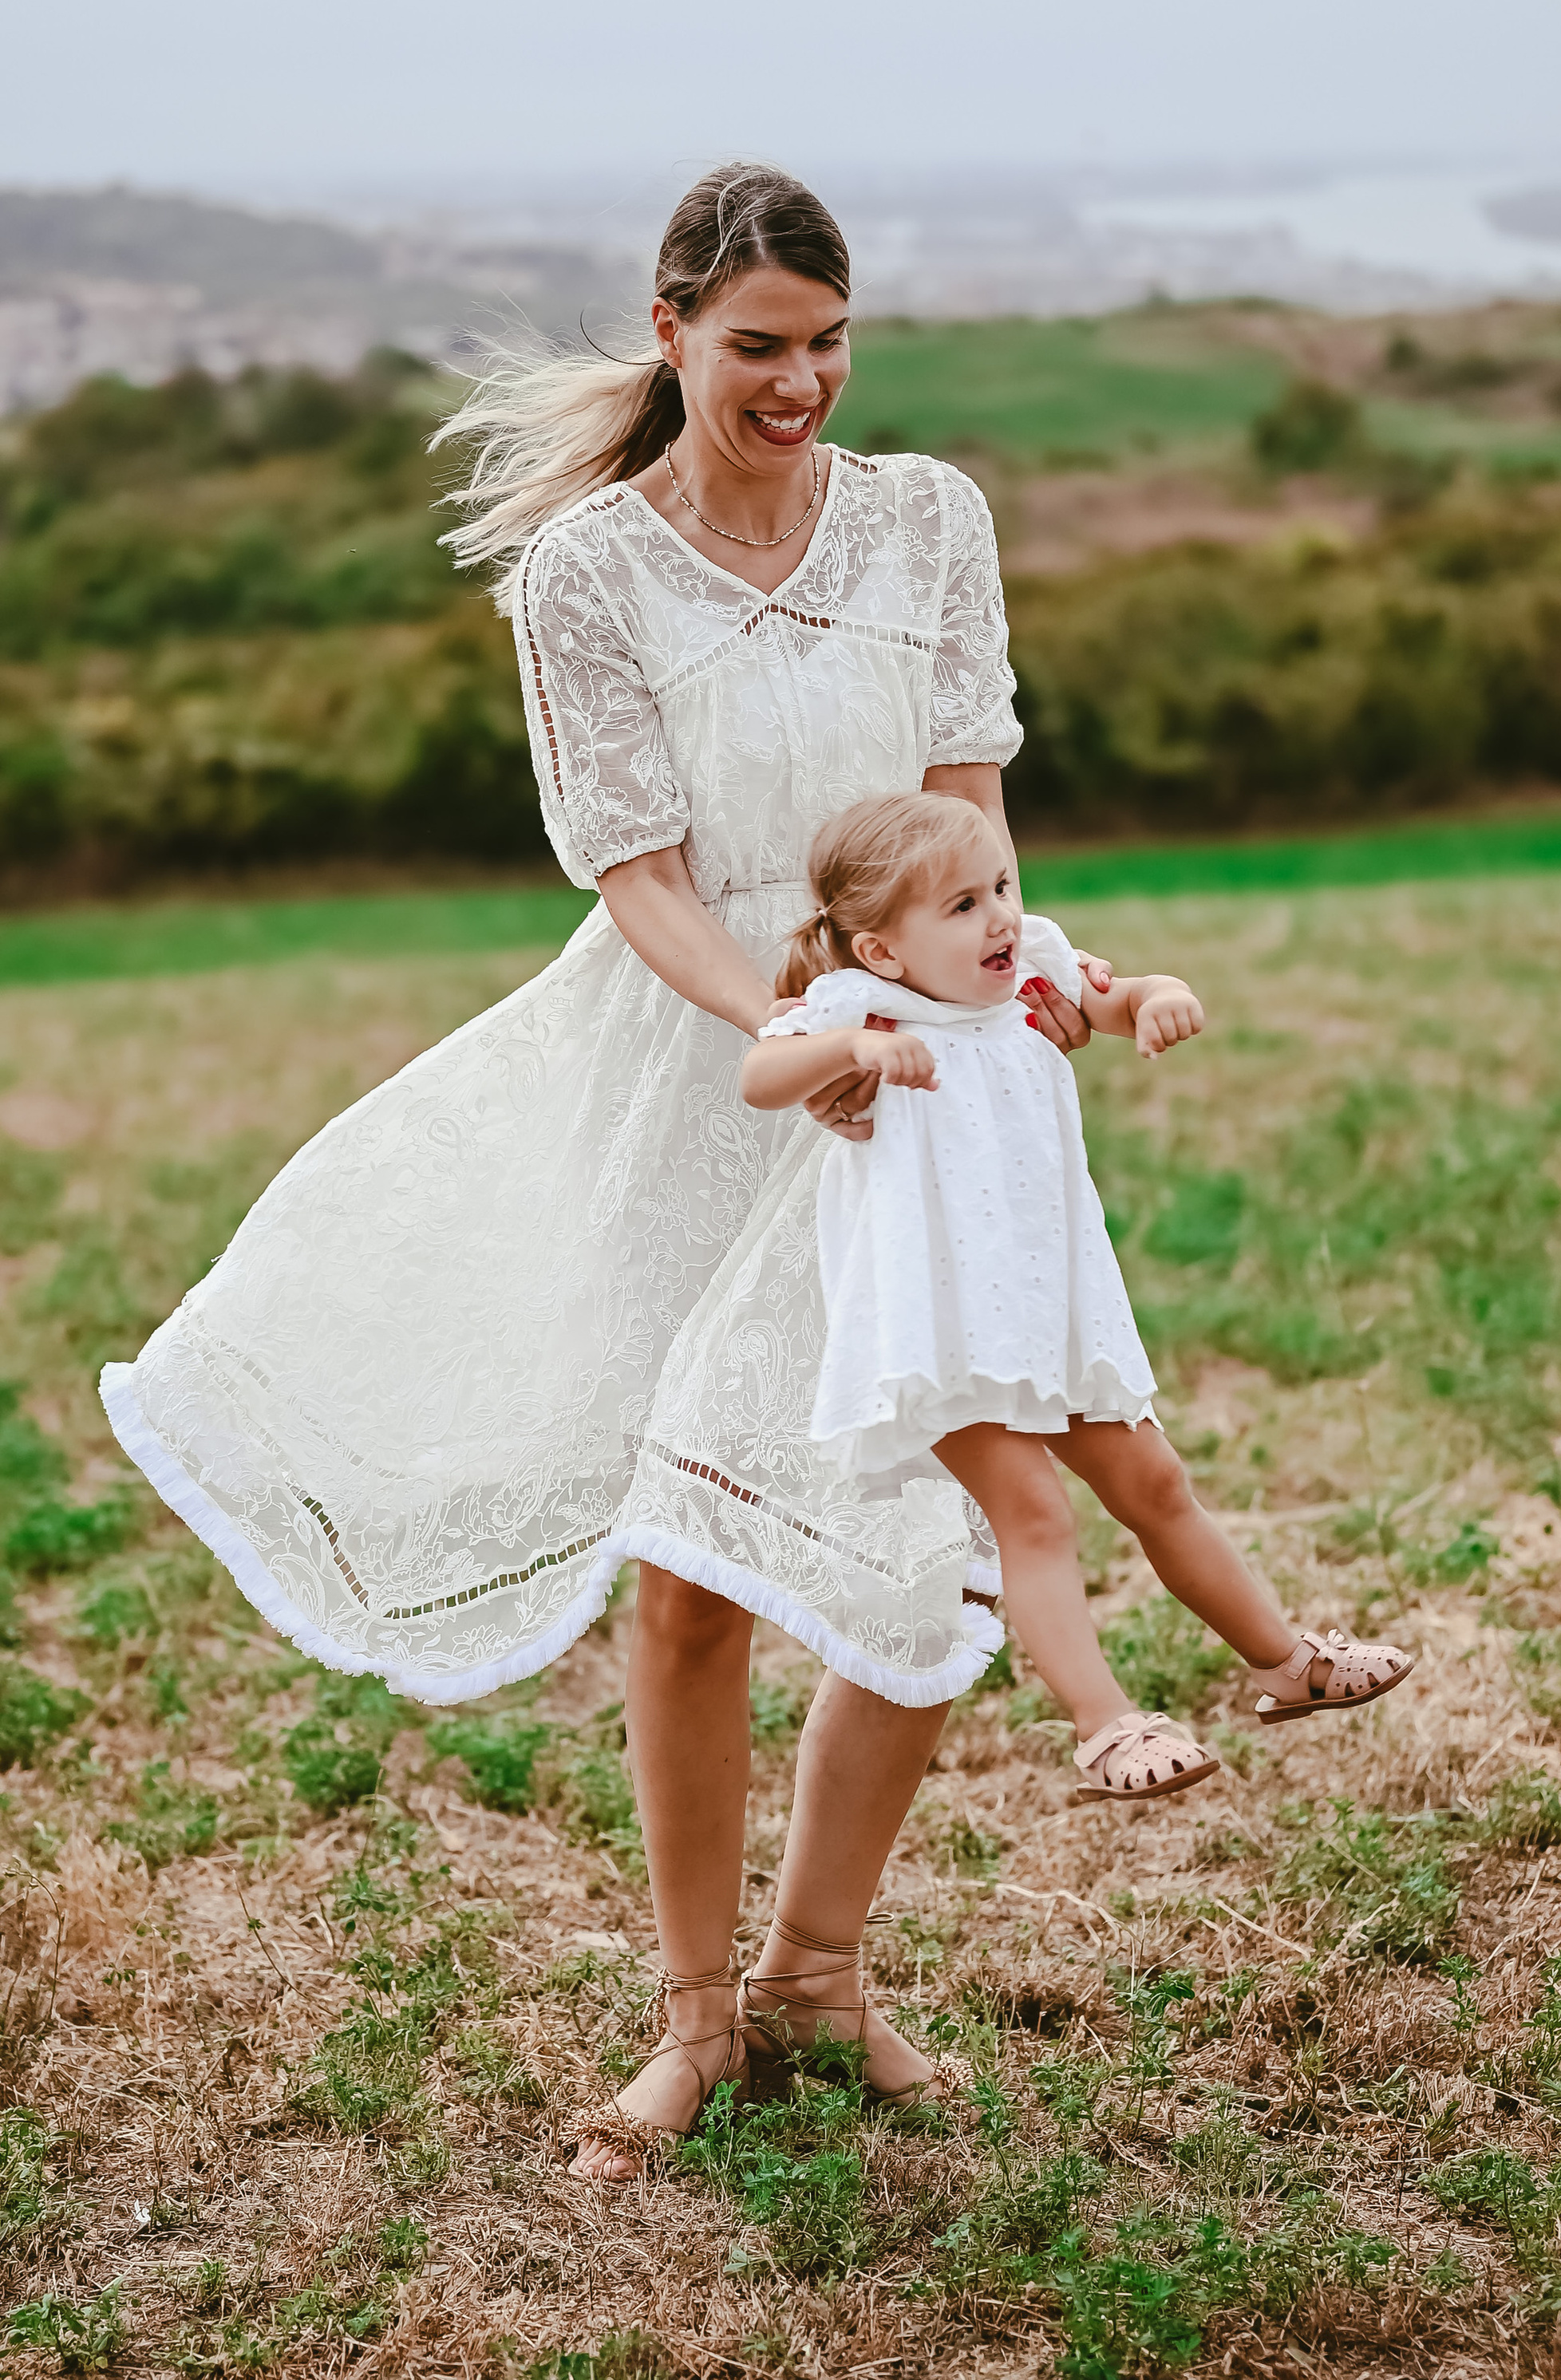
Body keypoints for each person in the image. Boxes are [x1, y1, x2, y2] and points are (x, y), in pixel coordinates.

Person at [100, 162, 1106, 2179]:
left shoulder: (929, 519)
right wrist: (781, 1029)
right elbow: (635, 871)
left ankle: (823, 1968)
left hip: (915, 1071)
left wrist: (1023, 972)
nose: (800, 381)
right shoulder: (585, 573)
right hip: (695, 1072)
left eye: (828, 342)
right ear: (670, 334)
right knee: (689, 1578)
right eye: (757, 347)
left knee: (934, 1535)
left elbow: (965, 796)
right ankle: (697, 2013)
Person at [741, 790, 1416, 1806]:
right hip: (941, 1325)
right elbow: (760, 1073)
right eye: (962, 906)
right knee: (1036, 1515)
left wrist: (1156, 996)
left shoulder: (1033, 973)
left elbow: (1115, 992)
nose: (1001, 917)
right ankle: (1105, 1727)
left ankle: (1287, 1662)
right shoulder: (863, 1009)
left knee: (1154, 1483)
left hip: (1050, 1305)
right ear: (881, 952)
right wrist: (851, 1052)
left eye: (1001, 887)